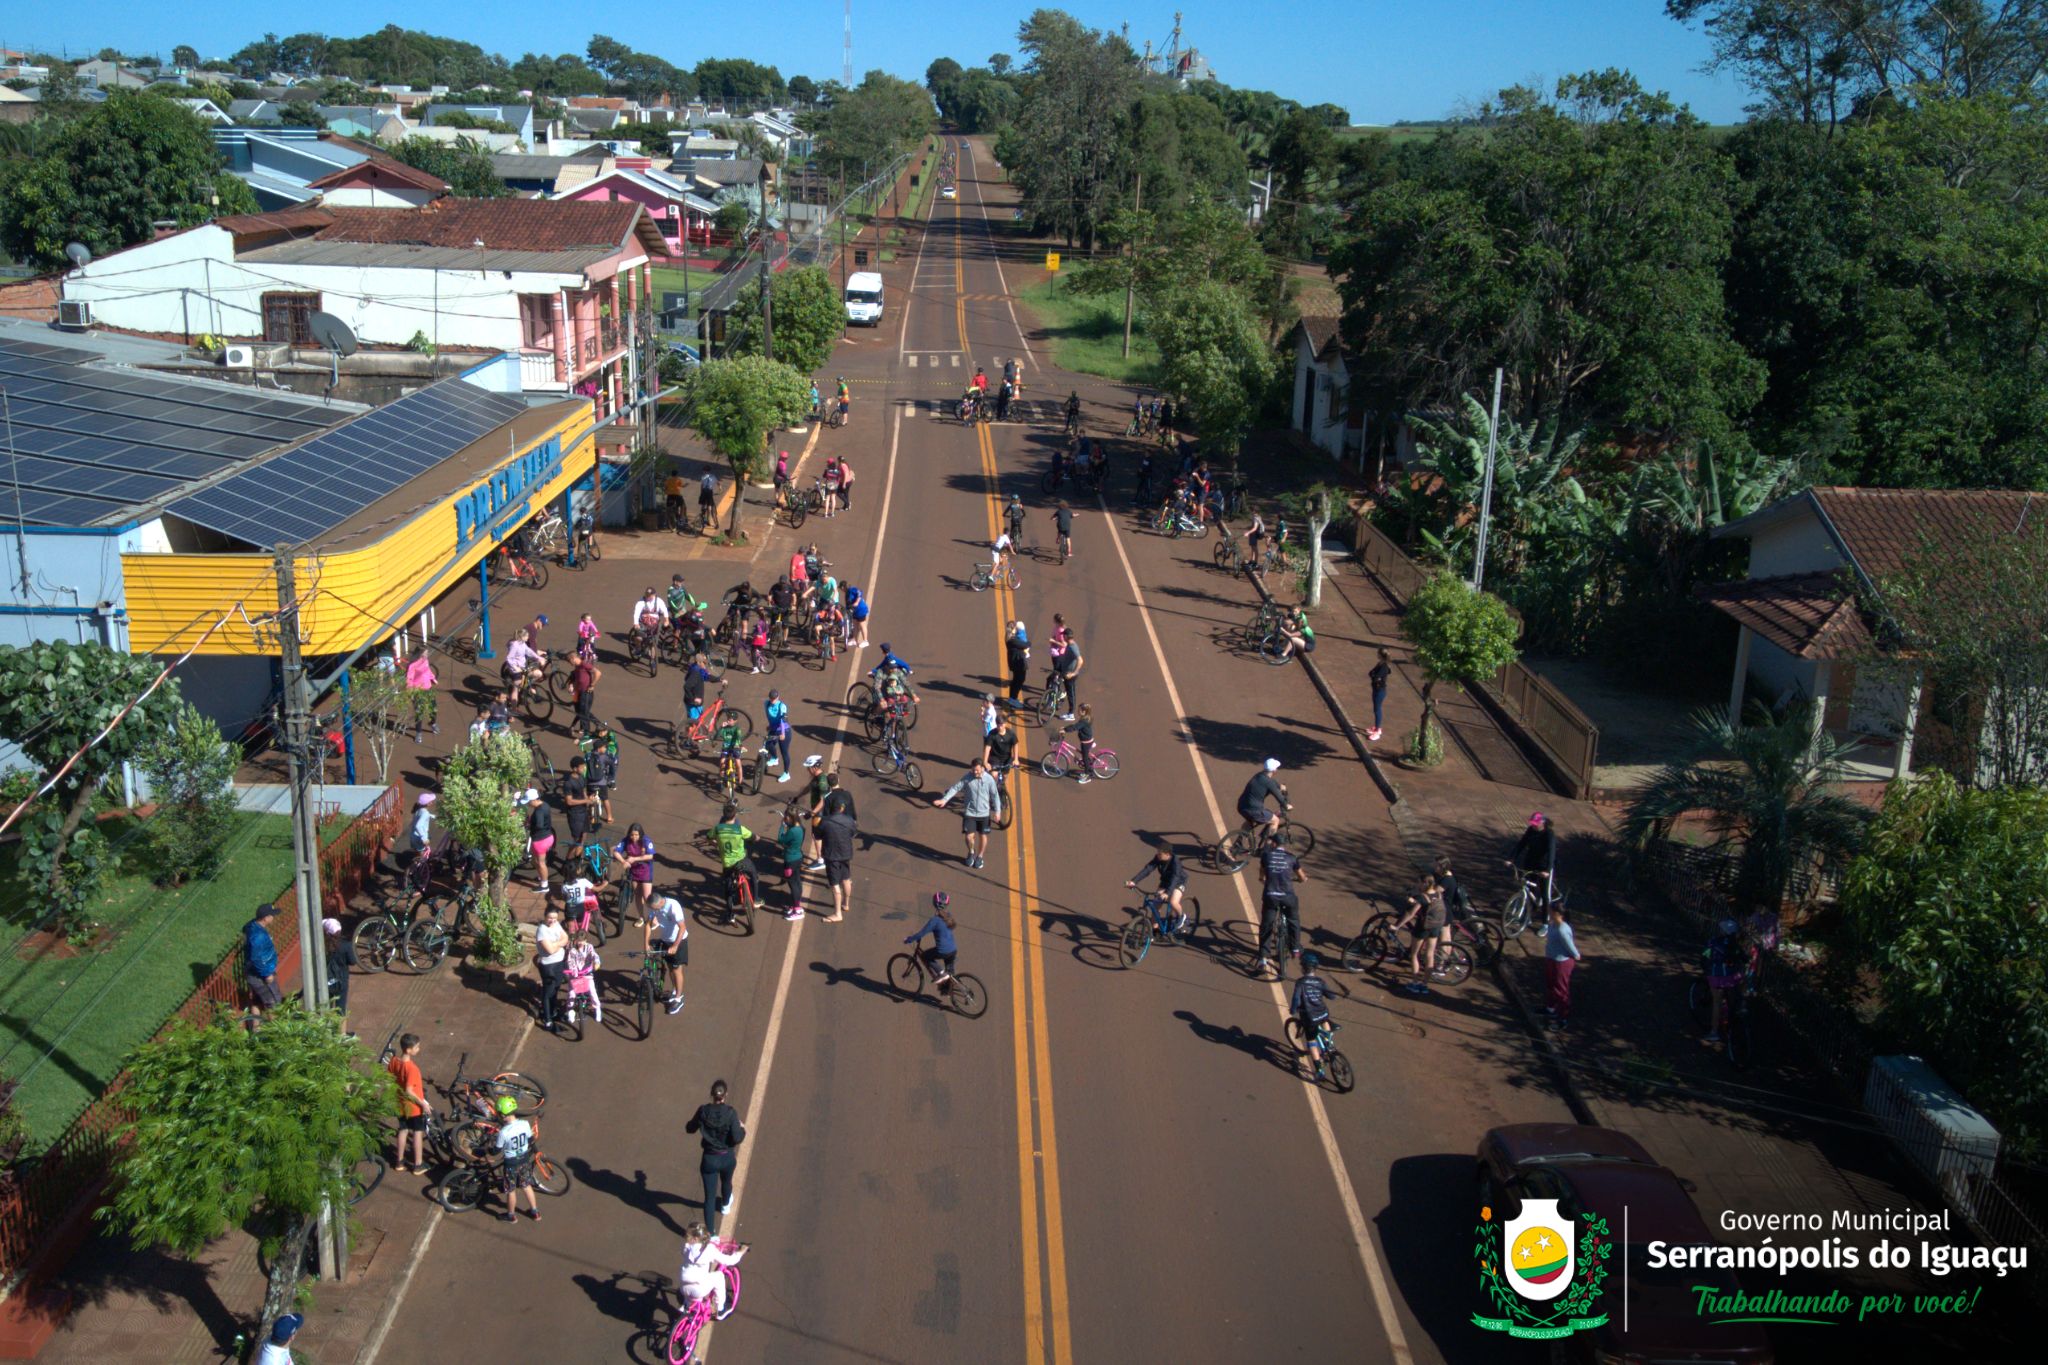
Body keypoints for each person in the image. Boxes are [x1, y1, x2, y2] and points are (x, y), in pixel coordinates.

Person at [687, 1079, 746, 1234]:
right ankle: (726, 1205)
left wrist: (697, 1124)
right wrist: (742, 1128)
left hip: (709, 1159)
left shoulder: (703, 1111)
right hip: (727, 1158)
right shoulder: (731, 1113)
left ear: (711, 1094)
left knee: (710, 1198)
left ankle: (712, 1235)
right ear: (726, 1094)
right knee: (727, 1182)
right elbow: (737, 1137)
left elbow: (690, 1128)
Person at [1257, 829, 1310, 977]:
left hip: (1270, 896)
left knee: (1266, 925)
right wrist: (1303, 880)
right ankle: (1295, 949)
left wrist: (1263, 880)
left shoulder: (1266, 856)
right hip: (1288, 897)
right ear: (1283, 845)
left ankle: (1263, 958)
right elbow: (1301, 876)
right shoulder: (1292, 858)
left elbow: (1261, 875)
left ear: (1274, 843)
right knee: (1293, 920)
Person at [933, 759, 1002, 869]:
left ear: (983, 769)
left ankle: (980, 857)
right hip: (970, 813)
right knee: (969, 837)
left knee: (983, 836)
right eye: (973, 770)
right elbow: (956, 788)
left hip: (984, 814)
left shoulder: (989, 780)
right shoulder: (967, 777)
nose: (975, 772)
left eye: (977, 770)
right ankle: (971, 852)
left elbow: (995, 796)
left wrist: (997, 811)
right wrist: (944, 800)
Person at [678, 1223, 749, 1322]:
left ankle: (686, 1307)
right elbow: (729, 1261)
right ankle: (720, 1309)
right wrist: (740, 1252)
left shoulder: (685, 1247)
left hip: (683, 1286)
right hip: (699, 1288)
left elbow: (694, 1250)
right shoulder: (709, 1250)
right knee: (719, 1276)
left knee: (691, 1297)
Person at [491, 1094, 540, 1223]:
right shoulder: (524, 1124)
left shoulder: (503, 1132)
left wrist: (485, 1150)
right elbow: (530, 1140)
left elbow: (496, 1150)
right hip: (524, 1160)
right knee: (526, 1185)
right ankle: (535, 1212)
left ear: (502, 1115)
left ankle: (511, 1215)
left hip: (511, 1164)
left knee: (510, 1190)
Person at [1400, 872, 1448, 997]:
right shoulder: (1439, 894)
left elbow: (1411, 914)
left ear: (1425, 883)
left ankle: (1414, 982)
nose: (1418, 884)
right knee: (1430, 956)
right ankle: (1424, 985)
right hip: (1435, 928)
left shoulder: (1422, 897)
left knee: (1415, 954)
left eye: (1419, 882)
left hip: (1422, 928)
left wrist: (1397, 926)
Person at [1508, 812, 1559, 928]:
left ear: (1542, 823)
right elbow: (1521, 844)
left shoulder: (1549, 834)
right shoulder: (1531, 830)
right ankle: (1527, 915)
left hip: (1543, 867)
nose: (1534, 826)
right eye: (1533, 823)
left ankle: (1545, 924)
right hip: (1530, 863)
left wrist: (1547, 869)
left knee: (1545, 894)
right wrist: (1511, 858)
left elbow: (1552, 853)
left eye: (1536, 824)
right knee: (1528, 889)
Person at [388, 1033, 428, 1174]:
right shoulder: (412, 1068)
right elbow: (409, 1090)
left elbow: (390, 1079)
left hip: (400, 1104)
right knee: (417, 1133)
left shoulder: (393, 1061)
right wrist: (423, 1104)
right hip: (413, 1107)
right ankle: (418, 1164)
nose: (419, 1049)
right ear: (409, 1050)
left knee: (403, 1130)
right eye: (416, 1047)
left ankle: (399, 1161)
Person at [904, 891, 960, 991]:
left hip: (943, 951)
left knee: (925, 956)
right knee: (950, 974)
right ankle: (951, 990)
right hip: (953, 950)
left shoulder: (935, 920)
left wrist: (909, 939)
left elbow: (921, 933)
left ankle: (941, 973)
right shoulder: (949, 916)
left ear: (934, 903)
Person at [1125, 846, 1189, 929]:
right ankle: (1155, 931)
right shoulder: (1158, 858)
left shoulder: (1175, 862)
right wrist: (1134, 881)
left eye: (1160, 854)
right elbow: (1148, 869)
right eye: (1157, 853)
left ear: (1168, 854)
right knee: (1155, 906)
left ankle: (1181, 916)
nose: (1157, 855)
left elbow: (1175, 878)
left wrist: (1167, 893)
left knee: (1173, 902)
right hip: (1165, 881)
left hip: (1178, 882)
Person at [645, 891, 689, 1013]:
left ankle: (679, 998)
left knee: (676, 970)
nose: (653, 911)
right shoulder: (654, 908)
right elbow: (648, 925)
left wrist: (675, 945)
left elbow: (682, 927)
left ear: (660, 903)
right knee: (670, 968)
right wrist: (646, 944)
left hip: (679, 942)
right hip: (665, 941)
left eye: (654, 908)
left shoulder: (673, 906)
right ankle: (675, 991)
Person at [1703, 917, 1744, 1044]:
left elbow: (1705, 955)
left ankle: (1714, 1032)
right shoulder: (1736, 945)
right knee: (1730, 999)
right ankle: (1732, 1018)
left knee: (1717, 1002)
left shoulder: (1714, 942)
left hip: (1717, 975)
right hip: (1732, 976)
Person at [817, 798, 858, 923]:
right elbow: (854, 833)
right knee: (846, 879)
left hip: (831, 856)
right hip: (845, 854)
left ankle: (837, 913)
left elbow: (818, 835)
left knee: (835, 885)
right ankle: (846, 903)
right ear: (841, 808)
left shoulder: (825, 821)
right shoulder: (849, 820)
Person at [1291, 952, 1332, 1074]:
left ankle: (1319, 1069)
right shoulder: (1320, 981)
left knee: (1311, 1041)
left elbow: (1296, 999)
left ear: (1303, 967)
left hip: (1310, 1017)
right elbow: (1331, 996)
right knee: (1325, 1020)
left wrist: (1293, 1010)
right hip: (1323, 1013)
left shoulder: (1300, 982)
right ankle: (1328, 1043)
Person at [712, 802, 758, 909]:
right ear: (735, 815)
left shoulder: (717, 829)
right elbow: (753, 837)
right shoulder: (740, 829)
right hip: (741, 860)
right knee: (754, 874)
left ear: (723, 815)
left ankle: (730, 913)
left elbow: (709, 837)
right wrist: (757, 838)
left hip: (727, 863)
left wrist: (715, 844)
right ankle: (756, 899)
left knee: (728, 887)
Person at [243, 903, 282, 1026]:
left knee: (257, 1001)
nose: (273, 918)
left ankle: (256, 1031)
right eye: (272, 915)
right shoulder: (258, 936)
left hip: (253, 973)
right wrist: (266, 974)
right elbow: (256, 958)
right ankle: (276, 1032)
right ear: (265, 918)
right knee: (273, 1003)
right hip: (260, 975)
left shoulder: (252, 926)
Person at [1545, 903, 1582, 1030]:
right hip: (1552, 959)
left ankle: (1563, 1018)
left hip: (1561, 962)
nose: (1548, 912)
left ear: (1557, 913)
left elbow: (1570, 947)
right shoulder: (1552, 925)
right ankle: (1550, 1009)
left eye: (1550, 911)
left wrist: (1576, 955)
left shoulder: (1562, 930)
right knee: (1551, 984)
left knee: (1561, 990)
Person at [1237, 758, 1290, 841]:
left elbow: (1273, 784)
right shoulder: (1269, 783)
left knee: (1250, 820)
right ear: (1274, 771)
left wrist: (1280, 787)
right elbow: (1280, 799)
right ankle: (1268, 849)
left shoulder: (1259, 775)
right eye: (1276, 768)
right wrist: (1287, 805)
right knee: (1275, 820)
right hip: (1254, 810)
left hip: (1242, 806)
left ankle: (1239, 842)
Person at [534, 904, 568, 1031]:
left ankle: (553, 1011)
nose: (552, 921)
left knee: (556, 988)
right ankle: (548, 1019)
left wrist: (556, 944)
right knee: (548, 992)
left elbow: (566, 938)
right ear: (544, 916)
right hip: (548, 966)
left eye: (555, 918)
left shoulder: (556, 924)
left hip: (559, 962)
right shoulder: (542, 930)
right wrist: (560, 944)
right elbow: (550, 950)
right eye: (550, 918)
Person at [616, 824, 658, 924]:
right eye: (632, 835)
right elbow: (616, 852)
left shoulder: (646, 840)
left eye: (636, 835)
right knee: (638, 895)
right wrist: (623, 861)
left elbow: (650, 856)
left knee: (647, 897)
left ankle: (654, 919)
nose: (634, 837)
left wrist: (634, 858)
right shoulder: (625, 840)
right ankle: (641, 918)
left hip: (645, 871)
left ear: (640, 834)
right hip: (634, 871)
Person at [775, 805, 808, 920]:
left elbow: (780, 839)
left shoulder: (793, 831)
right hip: (798, 858)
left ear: (791, 818)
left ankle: (797, 910)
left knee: (793, 885)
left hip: (790, 860)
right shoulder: (800, 828)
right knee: (797, 882)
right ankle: (797, 906)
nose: (785, 818)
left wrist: (781, 827)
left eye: (786, 817)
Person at [564, 930, 602, 1025]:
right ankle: (570, 1010)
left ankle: (597, 1008)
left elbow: (594, 955)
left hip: (586, 974)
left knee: (592, 991)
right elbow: (570, 961)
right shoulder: (572, 950)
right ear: (576, 940)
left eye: (582, 940)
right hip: (575, 975)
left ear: (586, 940)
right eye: (578, 940)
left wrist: (596, 962)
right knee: (571, 994)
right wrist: (573, 970)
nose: (580, 943)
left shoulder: (589, 947)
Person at [522, 788, 555, 893]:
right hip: (549, 836)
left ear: (533, 800)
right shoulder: (545, 805)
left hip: (540, 840)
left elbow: (539, 825)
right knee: (534, 860)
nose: (528, 804)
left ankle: (544, 885)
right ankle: (542, 876)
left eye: (528, 802)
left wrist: (530, 824)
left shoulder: (539, 812)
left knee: (540, 863)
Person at [1047, 631, 1083, 722]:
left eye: (1064, 635)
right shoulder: (1069, 644)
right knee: (1051, 679)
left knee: (1071, 694)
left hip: (1069, 675)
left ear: (1067, 636)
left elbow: (1080, 660)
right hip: (1063, 670)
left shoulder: (1073, 647)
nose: (1063, 637)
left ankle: (1071, 714)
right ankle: (1053, 698)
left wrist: (1073, 673)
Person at [404, 649, 439, 741]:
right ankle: (418, 733)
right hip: (418, 691)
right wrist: (410, 692)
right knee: (419, 712)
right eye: (426, 652)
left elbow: (428, 671)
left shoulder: (426, 661)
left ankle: (432, 723)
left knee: (434, 708)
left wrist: (433, 678)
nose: (427, 654)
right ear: (420, 653)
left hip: (428, 689)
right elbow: (409, 679)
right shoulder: (413, 665)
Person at [762, 689, 792, 781]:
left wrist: (782, 733)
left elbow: (782, 721)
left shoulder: (782, 706)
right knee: (768, 744)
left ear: (778, 697)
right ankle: (775, 758)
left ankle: (786, 774)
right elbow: (770, 717)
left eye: (774, 699)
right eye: (771, 699)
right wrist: (770, 726)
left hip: (784, 731)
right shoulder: (766, 703)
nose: (772, 701)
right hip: (774, 729)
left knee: (784, 753)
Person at [570, 651, 601, 735]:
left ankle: (586, 732)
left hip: (586, 692)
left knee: (583, 712)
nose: (569, 663)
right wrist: (573, 689)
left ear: (573, 658)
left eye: (569, 660)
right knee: (581, 711)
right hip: (578, 692)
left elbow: (598, 673)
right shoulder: (577, 668)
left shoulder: (584, 665)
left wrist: (592, 685)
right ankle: (597, 724)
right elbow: (577, 680)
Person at [1068, 703, 1099, 786]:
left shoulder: (1084, 721)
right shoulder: (1086, 718)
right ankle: (1089, 766)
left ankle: (1087, 775)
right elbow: (1076, 726)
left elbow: (1075, 727)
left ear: (1084, 711)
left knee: (1085, 758)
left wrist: (1065, 729)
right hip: (1086, 741)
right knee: (1084, 755)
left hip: (1086, 742)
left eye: (1079, 710)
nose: (1078, 712)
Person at [1004, 619, 1031, 707]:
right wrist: (1028, 642)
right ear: (1013, 629)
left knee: (1015, 680)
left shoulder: (1009, 637)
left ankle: (1012, 698)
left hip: (1014, 661)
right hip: (1018, 662)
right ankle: (1013, 699)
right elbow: (1026, 645)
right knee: (1020, 680)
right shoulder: (1013, 640)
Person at [1368, 648, 1392, 743]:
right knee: (1375, 709)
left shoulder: (1384, 667)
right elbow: (1371, 673)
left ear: (1381, 655)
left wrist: (1374, 677)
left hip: (1379, 691)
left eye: (1378, 653)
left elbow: (1375, 677)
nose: (1376, 654)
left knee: (1377, 710)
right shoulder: (1380, 664)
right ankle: (1376, 727)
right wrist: (1374, 676)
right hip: (1376, 689)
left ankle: (1377, 731)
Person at [843, 582, 870, 648]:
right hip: (854, 611)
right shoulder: (847, 594)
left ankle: (865, 641)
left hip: (860, 609)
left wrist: (857, 602)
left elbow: (860, 593)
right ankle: (854, 640)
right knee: (855, 625)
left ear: (843, 587)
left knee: (862, 624)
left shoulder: (852, 589)